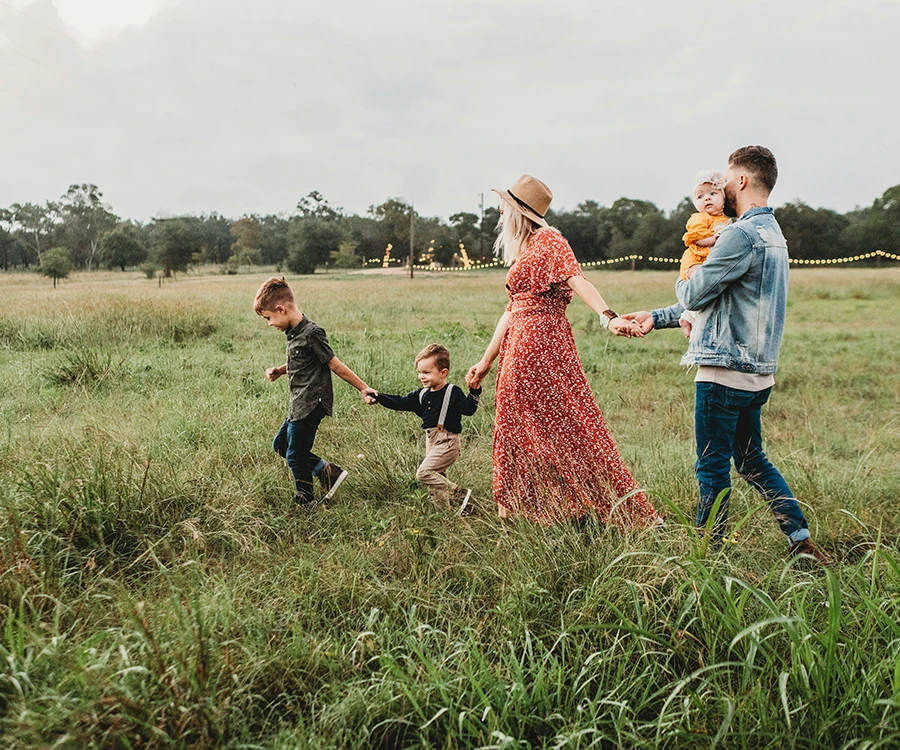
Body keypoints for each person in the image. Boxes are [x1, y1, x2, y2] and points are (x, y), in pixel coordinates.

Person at [622, 146, 829, 563]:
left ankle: (707, 554)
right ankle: (800, 540)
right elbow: (722, 299)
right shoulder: (774, 235)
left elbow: (697, 292)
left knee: (711, 465)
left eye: (727, 179)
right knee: (752, 460)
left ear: (743, 181)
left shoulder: (738, 234)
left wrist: (688, 275)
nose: (721, 187)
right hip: (757, 374)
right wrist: (658, 317)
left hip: (723, 371)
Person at [466, 174, 661, 527]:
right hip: (519, 344)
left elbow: (577, 279)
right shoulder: (526, 249)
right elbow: (511, 310)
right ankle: (520, 509)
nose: (498, 213)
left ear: (518, 212)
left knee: (568, 423)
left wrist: (608, 317)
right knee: (516, 424)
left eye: (503, 207)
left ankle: (583, 504)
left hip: (541, 344)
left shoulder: (549, 240)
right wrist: (485, 361)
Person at [254, 276, 376, 505]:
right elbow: (301, 362)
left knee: (295, 455)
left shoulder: (312, 333)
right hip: (298, 402)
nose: (269, 323)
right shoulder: (293, 333)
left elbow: (335, 364)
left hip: (311, 403)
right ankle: (327, 472)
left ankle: (306, 499)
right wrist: (281, 370)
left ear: (280, 309)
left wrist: (363, 388)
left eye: (269, 318)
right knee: (281, 445)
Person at [370, 344, 481, 514]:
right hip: (431, 441)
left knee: (424, 473)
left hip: (448, 442)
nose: (422, 376)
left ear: (443, 373)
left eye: (427, 372)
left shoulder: (452, 391)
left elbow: (468, 409)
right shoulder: (422, 394)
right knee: (436, 482)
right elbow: (400, 401)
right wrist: (378, 397)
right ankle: (445, 515)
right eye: (420, 372)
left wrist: (475, 392)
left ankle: (458, 493)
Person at [678, 171, 731, 339]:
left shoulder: (725, 220)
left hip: (708, 259)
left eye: (713, 194)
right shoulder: (700, 218)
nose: (707, 198)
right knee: (701, 283)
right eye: (700, 197)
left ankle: (688, 317)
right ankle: (689, 317)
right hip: (695, 259)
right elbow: (695, 237)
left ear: (723, 198)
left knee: (709, 289)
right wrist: (712, 239)